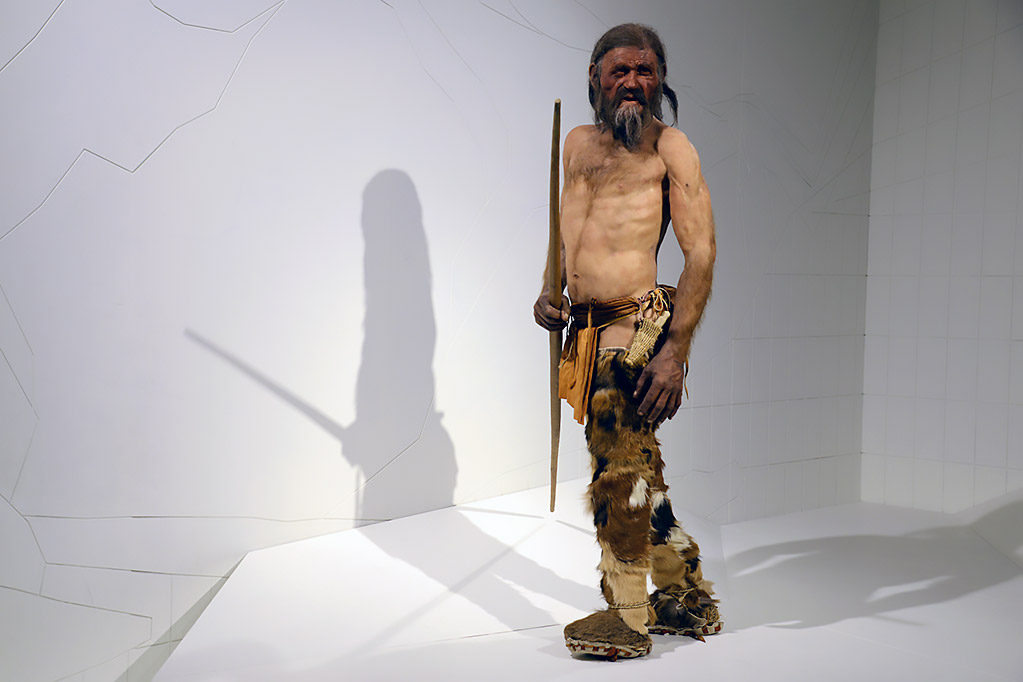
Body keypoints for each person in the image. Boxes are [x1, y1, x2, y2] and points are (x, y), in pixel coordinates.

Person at [533, 23, 720, 660]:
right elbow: (567, 232)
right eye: (621, 71)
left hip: (633, 335)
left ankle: (629, 617)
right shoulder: (577, 144)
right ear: (596, 78)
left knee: (617, 476)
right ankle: (683, 596)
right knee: (637, 471)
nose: (634, 82)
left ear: (661, 79)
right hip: (583, 335)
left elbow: (701, 254)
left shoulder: (671, 149)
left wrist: (675, 352)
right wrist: (550, 290)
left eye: (646, 70)